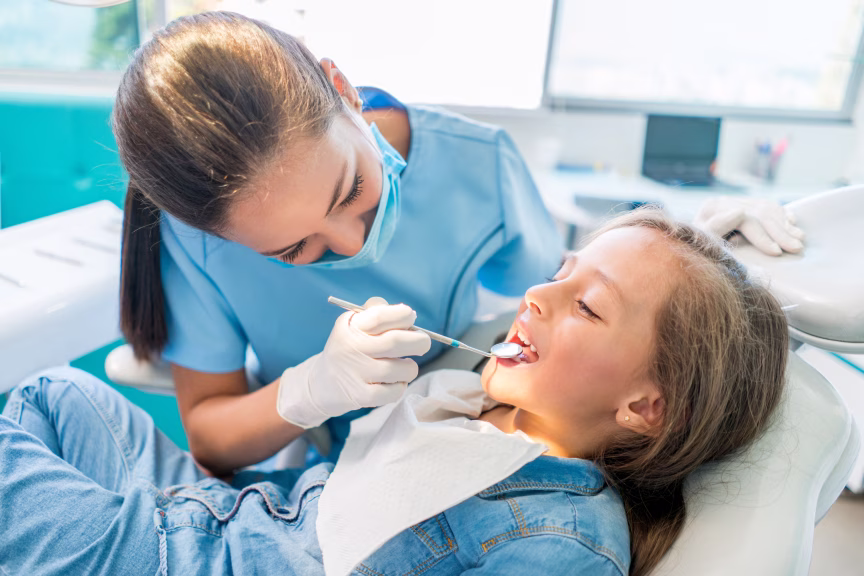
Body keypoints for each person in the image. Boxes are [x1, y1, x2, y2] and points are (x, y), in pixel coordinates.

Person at [0, 209, 788, 576]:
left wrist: (701, 293)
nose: (537, 299)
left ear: (647, 407)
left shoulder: (562, 542)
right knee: (47, 390)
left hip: (184, 560)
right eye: (557, 273)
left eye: (585, 304)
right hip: (226, 512)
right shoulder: (469, 412)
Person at [114, 11, 563, 475]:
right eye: (291, 249)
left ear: (343, 88)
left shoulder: (480, 162)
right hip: (337, 473)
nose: (353, 245)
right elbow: (210, 438)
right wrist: (311, 390)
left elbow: (555, 309)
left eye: (351, 191)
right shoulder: (193, 243)